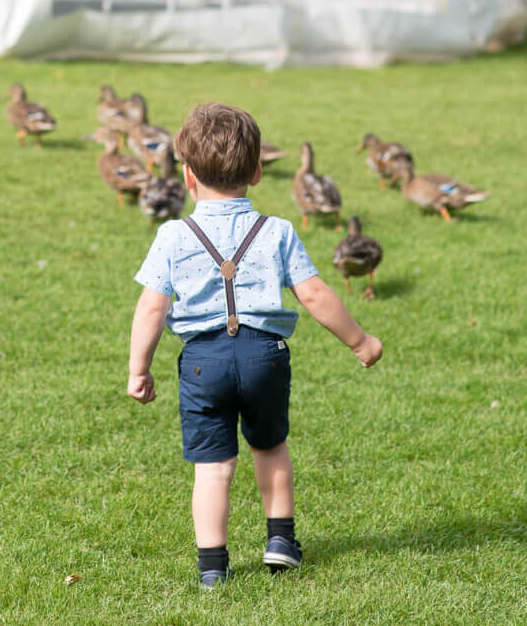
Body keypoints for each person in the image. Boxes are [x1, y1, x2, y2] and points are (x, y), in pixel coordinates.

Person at [127, 102, 382, 588]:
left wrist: (139, 368)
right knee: (270, 447)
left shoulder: (173, 235)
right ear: (259, 171)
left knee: (213, 466)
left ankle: (212, 566)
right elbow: (314, 294)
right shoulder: (278, 231)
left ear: (186, 176)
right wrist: (360, 341)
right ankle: (281, 541)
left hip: (202, 362)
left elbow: (151, 308)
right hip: (266, 356)